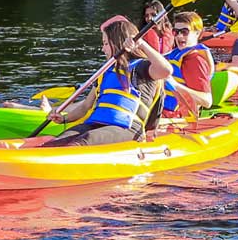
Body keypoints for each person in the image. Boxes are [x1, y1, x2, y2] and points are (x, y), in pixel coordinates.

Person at [44, 15, 173, 147]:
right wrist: (64, 118)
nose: (102, 49)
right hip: (97, 125)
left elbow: (166, 70)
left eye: (106, 43)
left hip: (128, 130)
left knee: (83, 141)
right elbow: (85, 106)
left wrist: (141, 44)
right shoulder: (105, 72)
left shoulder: (141, 68)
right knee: (56, 142)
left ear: (118, 43)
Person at [162, 11, 214, 118]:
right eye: (176, 32)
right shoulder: (173, 55)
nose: (179, 36)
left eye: (184, 32)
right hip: (162, 113)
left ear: (197, 33)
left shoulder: (196, 61)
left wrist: (175, 86)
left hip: (177, 119)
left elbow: (207, 101)